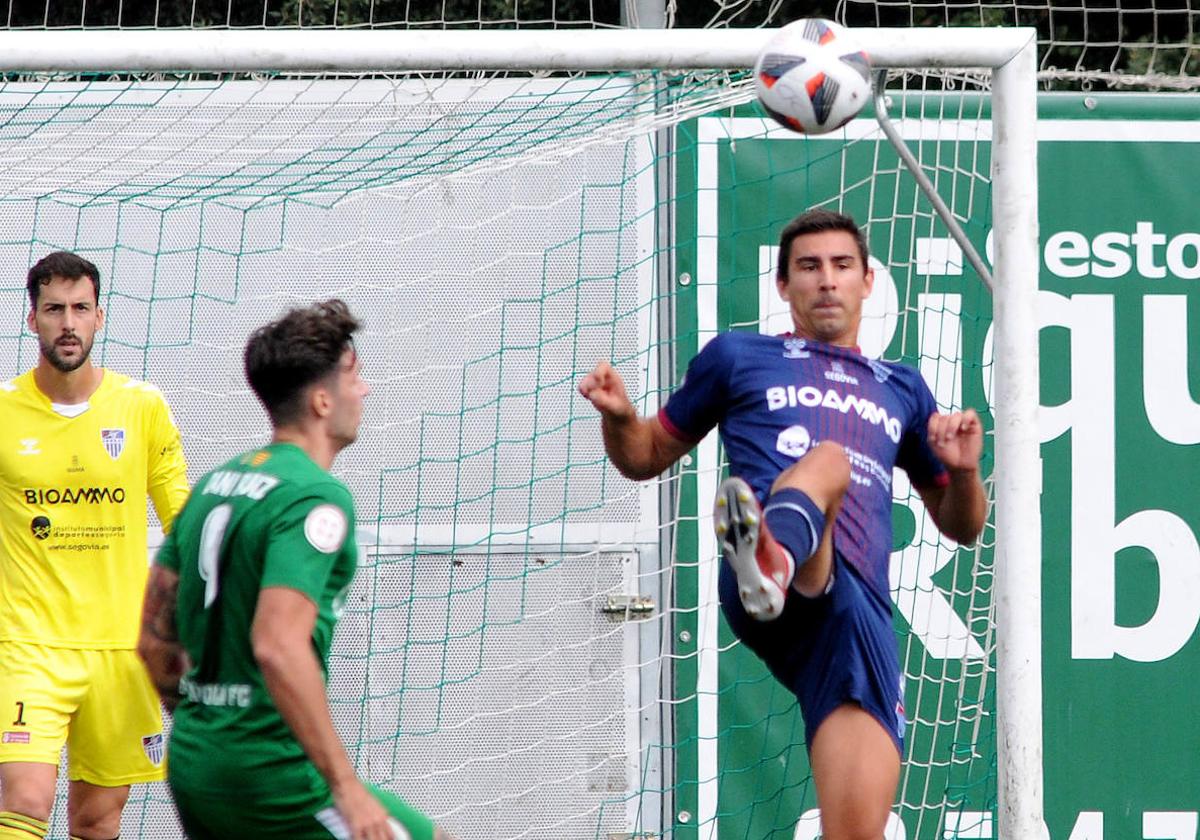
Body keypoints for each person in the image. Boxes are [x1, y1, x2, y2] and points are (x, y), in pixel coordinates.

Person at [578, 209, 987, 840]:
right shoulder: (739, 356)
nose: (827, 280)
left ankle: (777, 563)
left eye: (841, 266)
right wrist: (618, 416)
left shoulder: (902, 387)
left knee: (857, 832)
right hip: (776, 581)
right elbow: (644, 456)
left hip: (857, 624)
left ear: (868, 282)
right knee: (826, 461)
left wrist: (962, 472)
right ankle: (770, 558)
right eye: (809, 267)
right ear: (782, 285)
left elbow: (963, 526)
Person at [137, 300, 455, 840]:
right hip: (272, 777)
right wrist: (347, 786)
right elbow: (278, 644)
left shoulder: (215, 485)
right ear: (322, 399)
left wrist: (212, 721)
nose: (366, 391)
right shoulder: (314, 497)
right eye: (355, 376)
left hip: (194, 760)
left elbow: (151, 641)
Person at [0, 252, 191, 840]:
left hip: (119, 649)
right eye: (54, 309)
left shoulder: (142, 408)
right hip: (28, 644)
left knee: (96, 820)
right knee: (26, 797)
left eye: (80, 308)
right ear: (32, 319)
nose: (68, 322)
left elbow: (182, 520)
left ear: (99, 317)